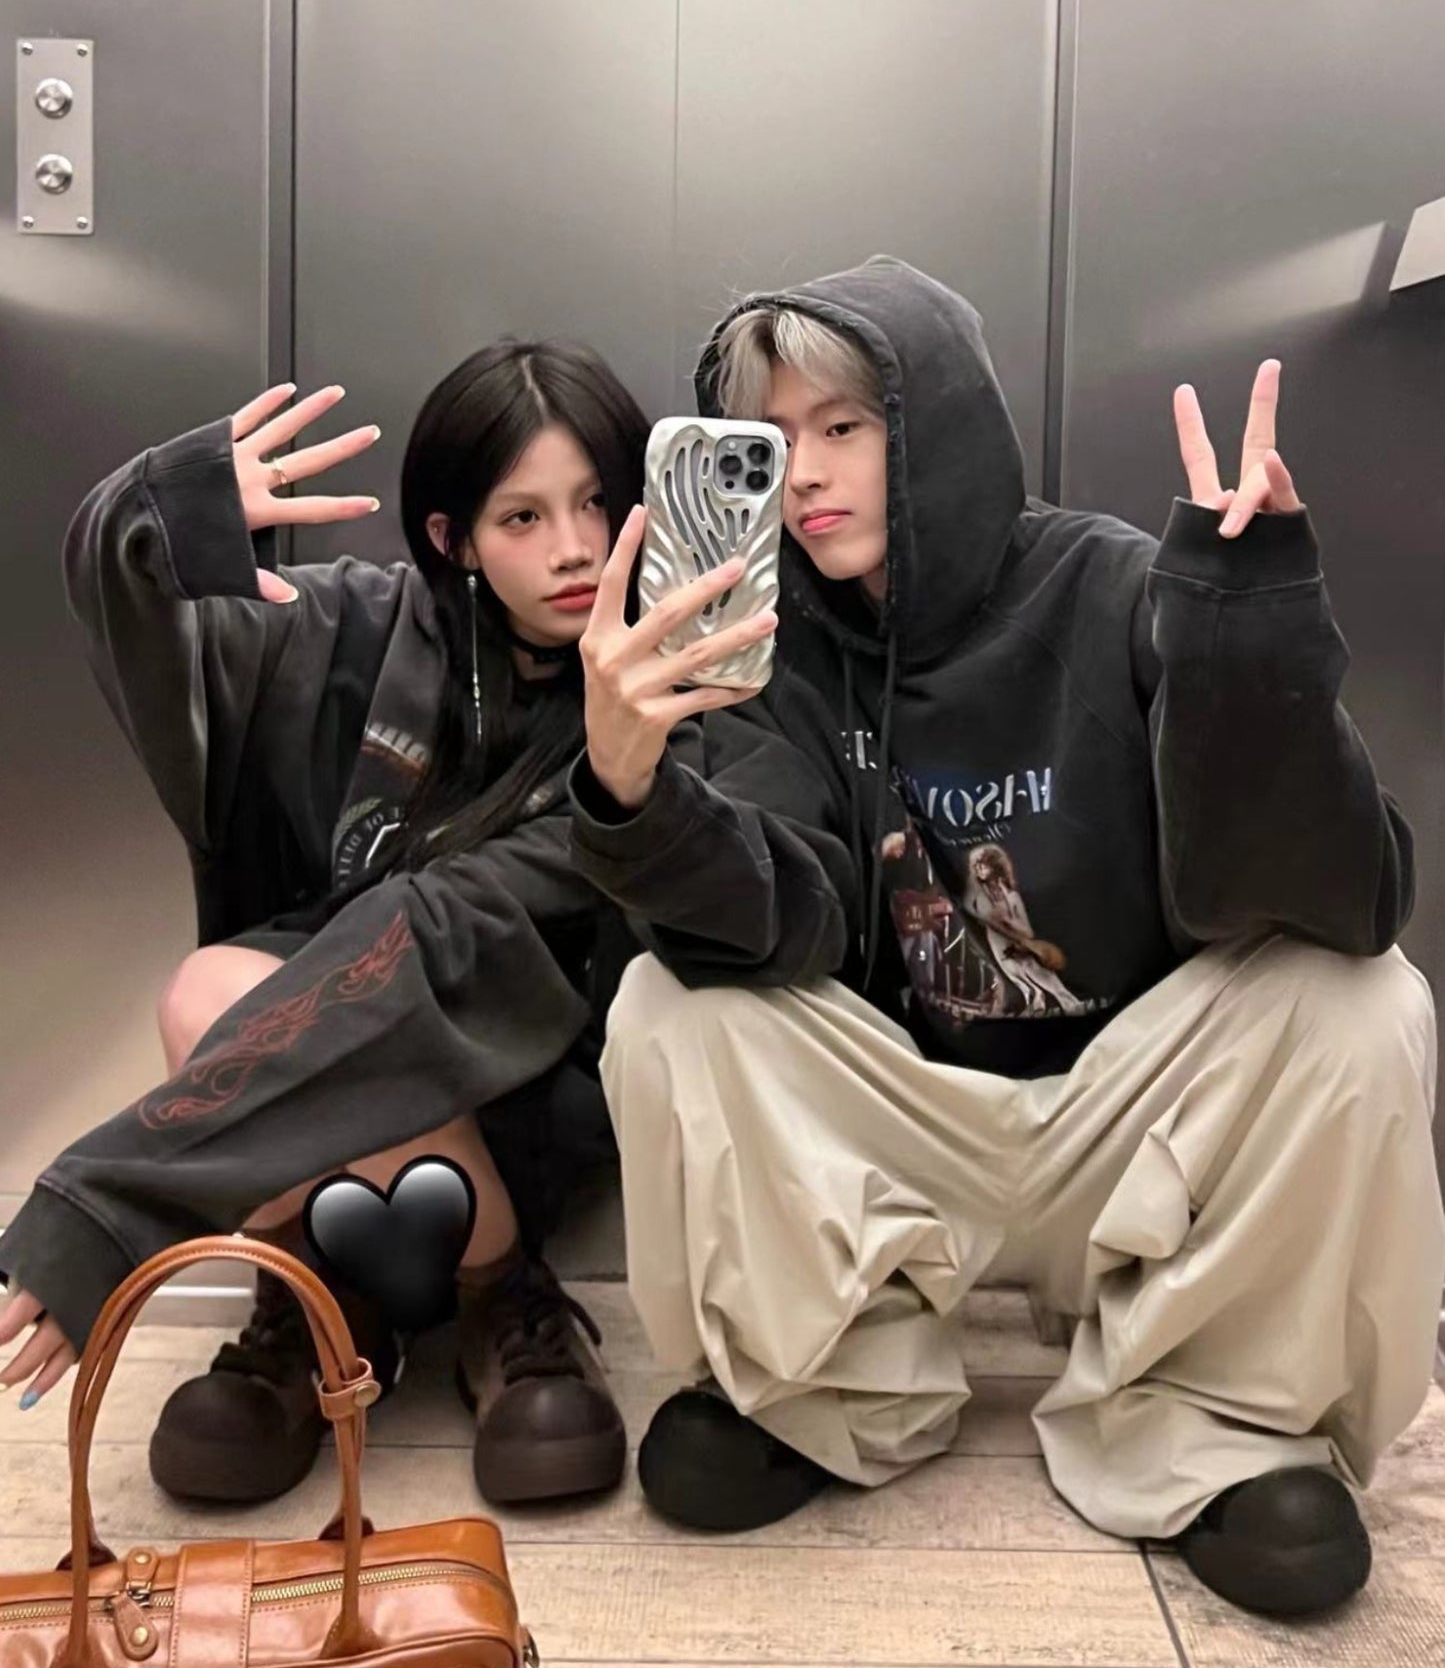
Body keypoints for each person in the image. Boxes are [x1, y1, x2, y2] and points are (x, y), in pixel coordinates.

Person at [570, 256, 1444, 1618]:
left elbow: (1337, 898)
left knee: (1361, 1000)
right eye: (776, 437)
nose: (806, 472)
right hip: (910, 1125)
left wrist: (1253, 650)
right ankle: (824, 1387)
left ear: (935, 426)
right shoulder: (769, 644)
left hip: (1129, 1117)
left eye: (844, 425)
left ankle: (1216, 1422)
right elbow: (778, 919)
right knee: (666, 1004)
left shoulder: (1112, 583)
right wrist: (633, 793)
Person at [0, 339, 649, 1508]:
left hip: (528, 1097)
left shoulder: (648, 694)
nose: (574, 547)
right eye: (522, 516)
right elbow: (153, 650)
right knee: (207, 986)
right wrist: (148, 519)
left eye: (596, 501)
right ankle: (310, 1300)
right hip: (324, 1076)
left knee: (383, 978)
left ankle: (501, 1294)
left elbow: (435, 937)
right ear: (453, 538)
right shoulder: (360, 628)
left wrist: (117, 1200)